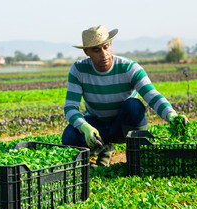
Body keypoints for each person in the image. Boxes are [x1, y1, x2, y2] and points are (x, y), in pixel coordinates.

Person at [62, 25, 188, 167]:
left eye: (106, 47)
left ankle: (135, 154)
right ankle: (103, 149)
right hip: (96, 126)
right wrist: (85, 127)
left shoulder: (129, 67)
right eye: (96, 50)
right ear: (86, 52)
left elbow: (152, 95)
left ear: (111, 44)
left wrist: (171, 115)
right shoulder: (79, 70)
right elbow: (70, 107)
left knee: (134, 105)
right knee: (69, 136)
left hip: (123, 127)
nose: (103, 54)